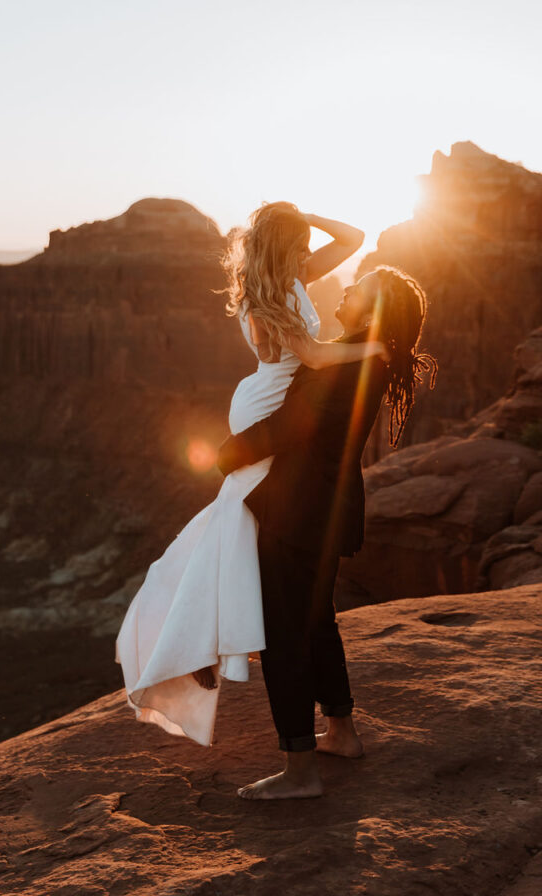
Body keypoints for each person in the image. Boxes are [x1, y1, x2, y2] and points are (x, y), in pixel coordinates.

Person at [114, 201, 388, 746]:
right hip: (268, 404)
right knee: (249, 521)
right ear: (283, 248)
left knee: (241, 523)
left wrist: (300, 215)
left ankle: (212, 627)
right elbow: (310, 357)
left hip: (267, 397)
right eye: (299, 243)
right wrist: (371, 346)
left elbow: (353, 235)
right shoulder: (277, 293)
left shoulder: (285, 278)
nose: (310, 252)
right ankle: (207, 632)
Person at [217, 266, 437, 799]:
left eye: (358, 288)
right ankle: (342, 733)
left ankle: (299, 771)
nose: (346, 289)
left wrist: (226, 455)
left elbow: (294, 424)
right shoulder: (365, 353)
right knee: (316, 620)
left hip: (298, 511)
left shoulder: (348, 362)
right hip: (327, 509)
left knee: (284, 634)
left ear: (374, 307)